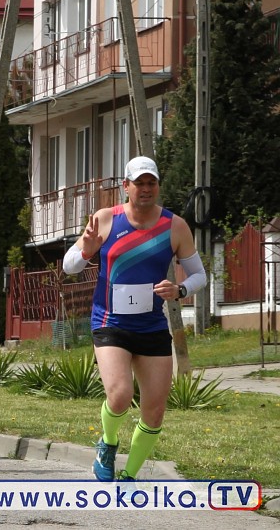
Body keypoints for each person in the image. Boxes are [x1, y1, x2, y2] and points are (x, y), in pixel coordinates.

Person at [62, 155, 206, 481]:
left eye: (151, 183)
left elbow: (199, 275)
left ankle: (129, 476)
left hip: (152, 325)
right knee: (120, 395)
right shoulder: (105, 219)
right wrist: (86, 250)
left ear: (158, 186)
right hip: (110, 322)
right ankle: (108, 442)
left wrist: (180, 289)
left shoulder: (175, 226)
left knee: (154, 412)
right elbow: (69, 267)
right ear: (125, 186)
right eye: (139, 183)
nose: (145, 188)